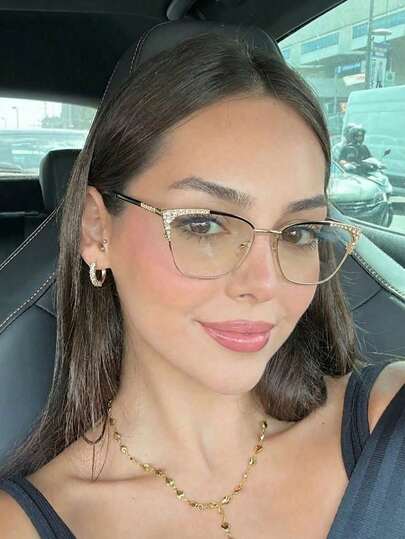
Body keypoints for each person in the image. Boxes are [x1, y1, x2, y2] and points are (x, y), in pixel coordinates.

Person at [1, 30, 405, 539]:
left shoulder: (389, 427)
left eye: (299, 233)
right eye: (204, 225)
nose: (266, 284)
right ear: (97, 231)